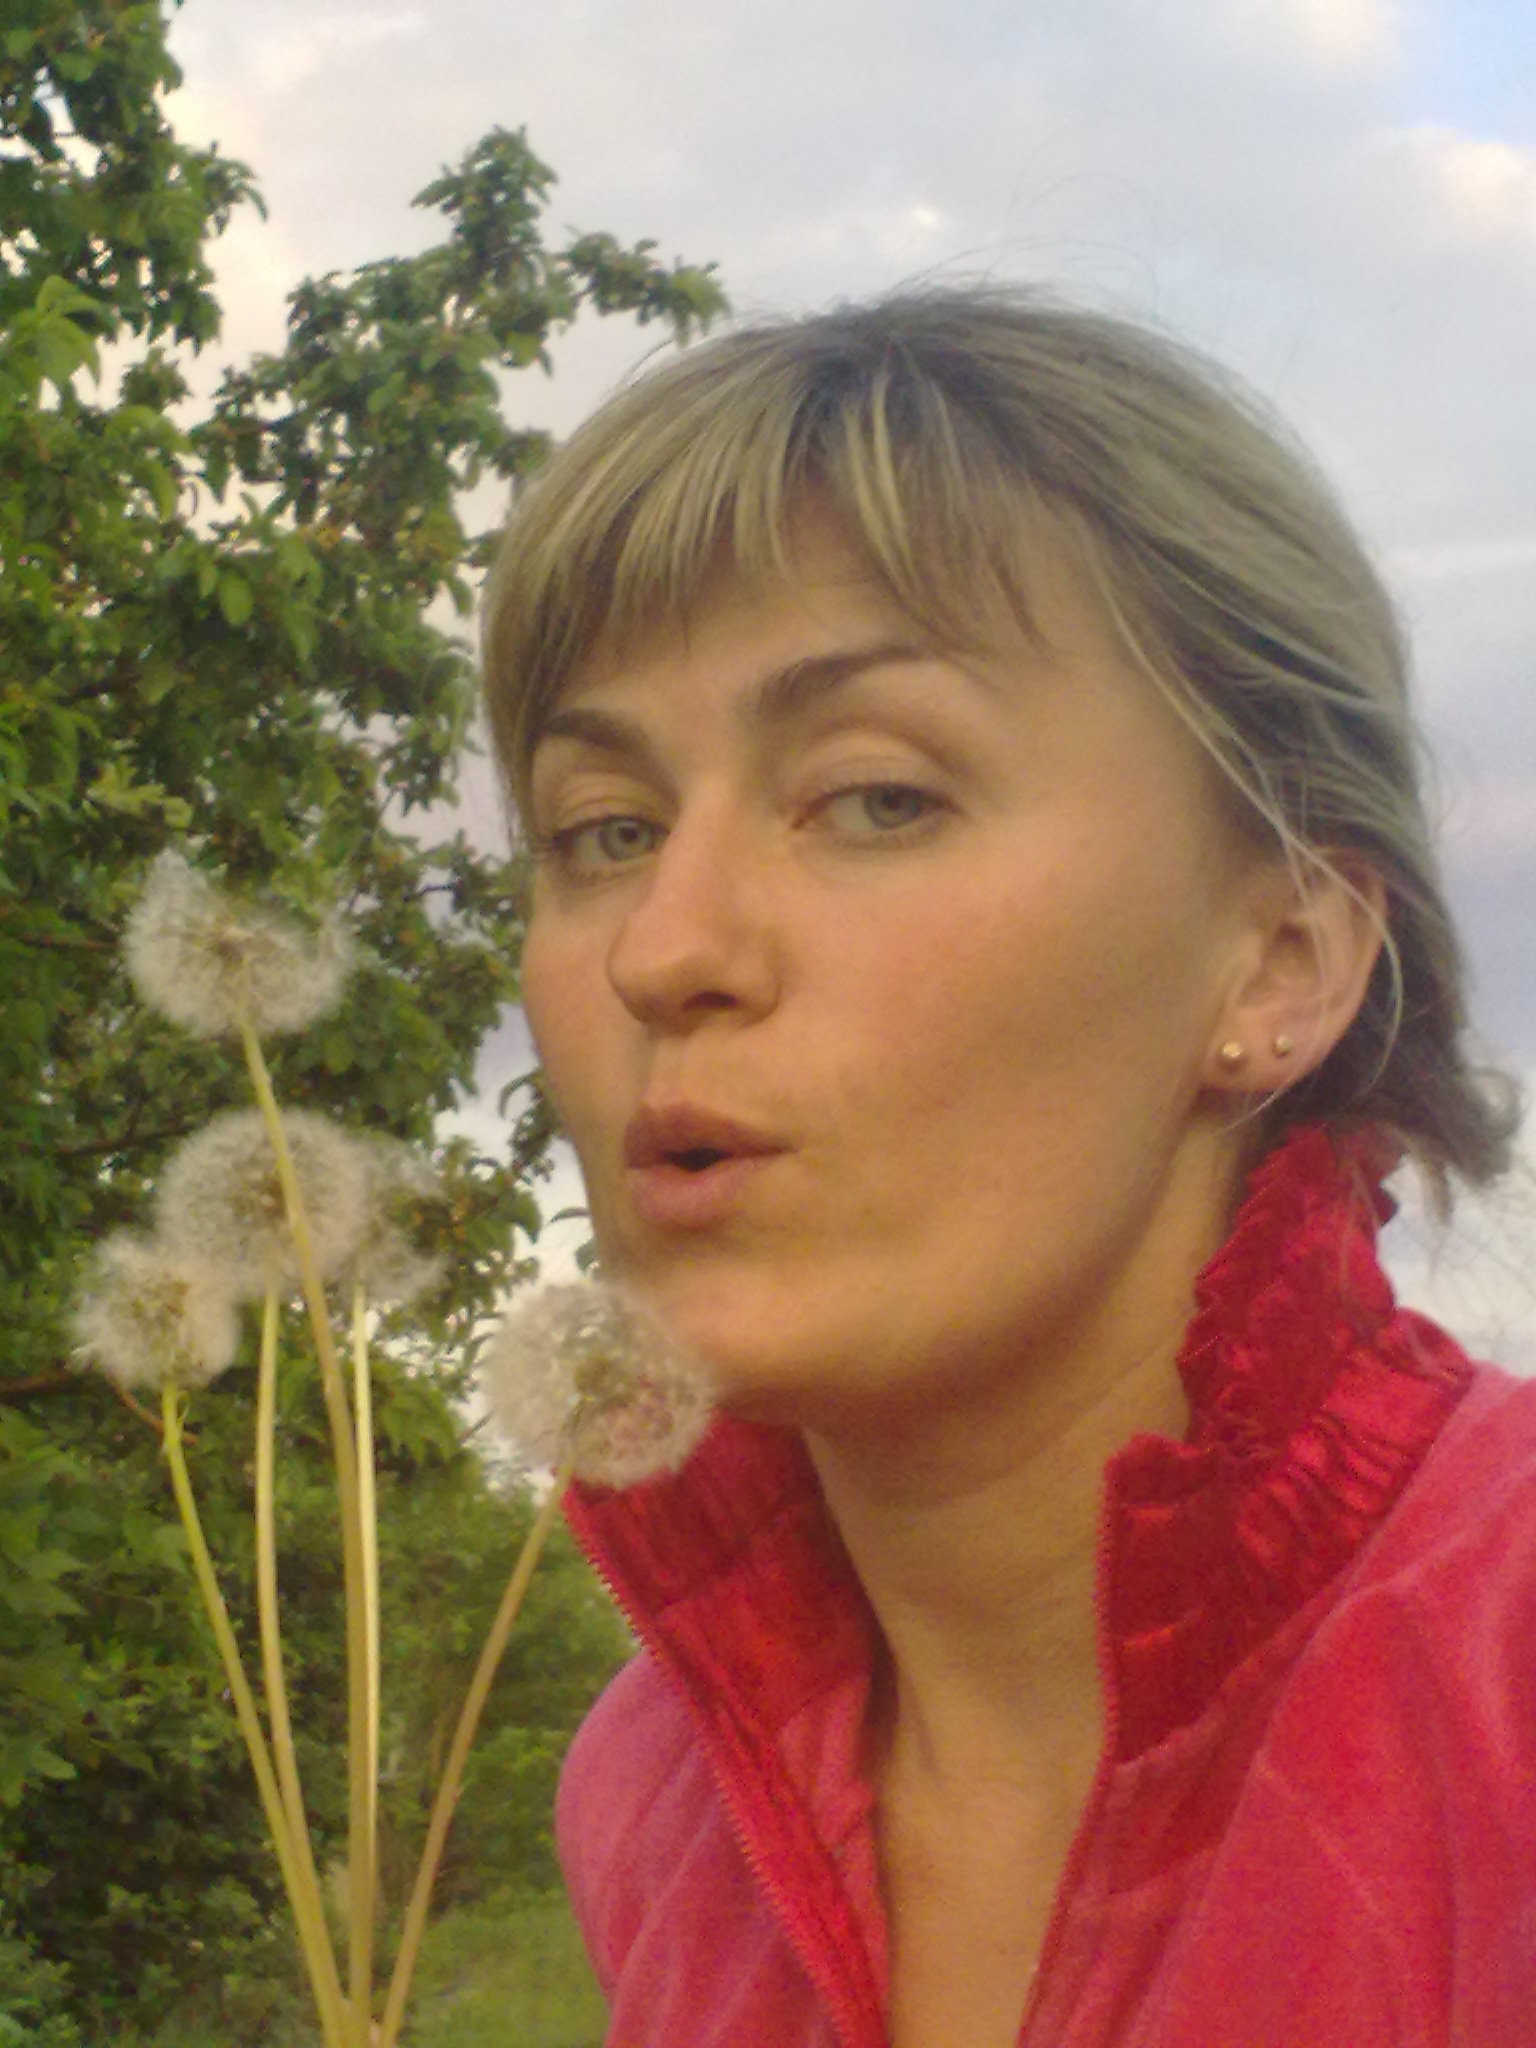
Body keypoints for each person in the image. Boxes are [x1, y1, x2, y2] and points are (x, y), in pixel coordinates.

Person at [479, 287, 1536, 2048]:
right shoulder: (651, 1793)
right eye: (606, 831)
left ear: (1282, 958)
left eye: (877, 797)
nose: (663, 948)